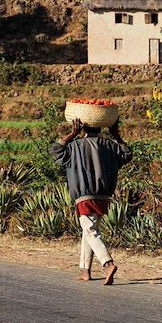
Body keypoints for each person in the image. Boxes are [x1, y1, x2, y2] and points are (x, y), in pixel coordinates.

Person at [51, 118, 132, 285]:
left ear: (81, 128)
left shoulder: (75, 146)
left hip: (84, 195)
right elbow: (127, 155)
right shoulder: (111, 145)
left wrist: (71, 135)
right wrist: (116, 136)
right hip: (103, 195)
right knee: (88, 230)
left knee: (90, 231)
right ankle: (85, 270)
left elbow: (56, 150)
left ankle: (107, 264)